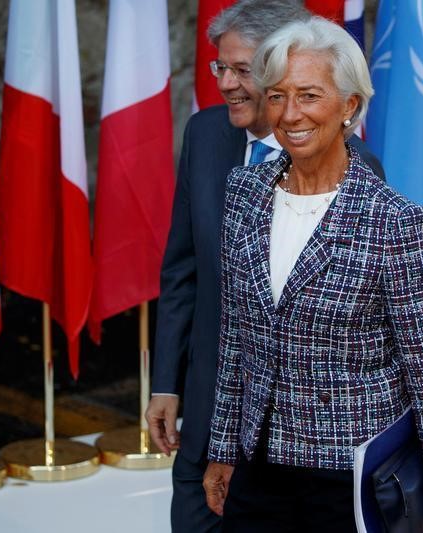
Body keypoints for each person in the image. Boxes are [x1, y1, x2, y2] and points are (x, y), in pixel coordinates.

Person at [203, 16, 423, 533]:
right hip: (258, 468)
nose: (290, 114)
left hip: (352, 477)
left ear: (349, 106)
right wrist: (223, 449)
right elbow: (235, 339)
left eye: (309, 95)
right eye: (278, 96)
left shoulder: (394, 220)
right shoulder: (243, 192)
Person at [145, 1, 384, 531]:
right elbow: (183, 270)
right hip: (208, 414)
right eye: (219, 67)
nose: (227, 83)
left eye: (243, 70)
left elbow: (378, 326)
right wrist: (167, 383)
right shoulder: (206, 135)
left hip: (300, 437)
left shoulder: (356, 171)